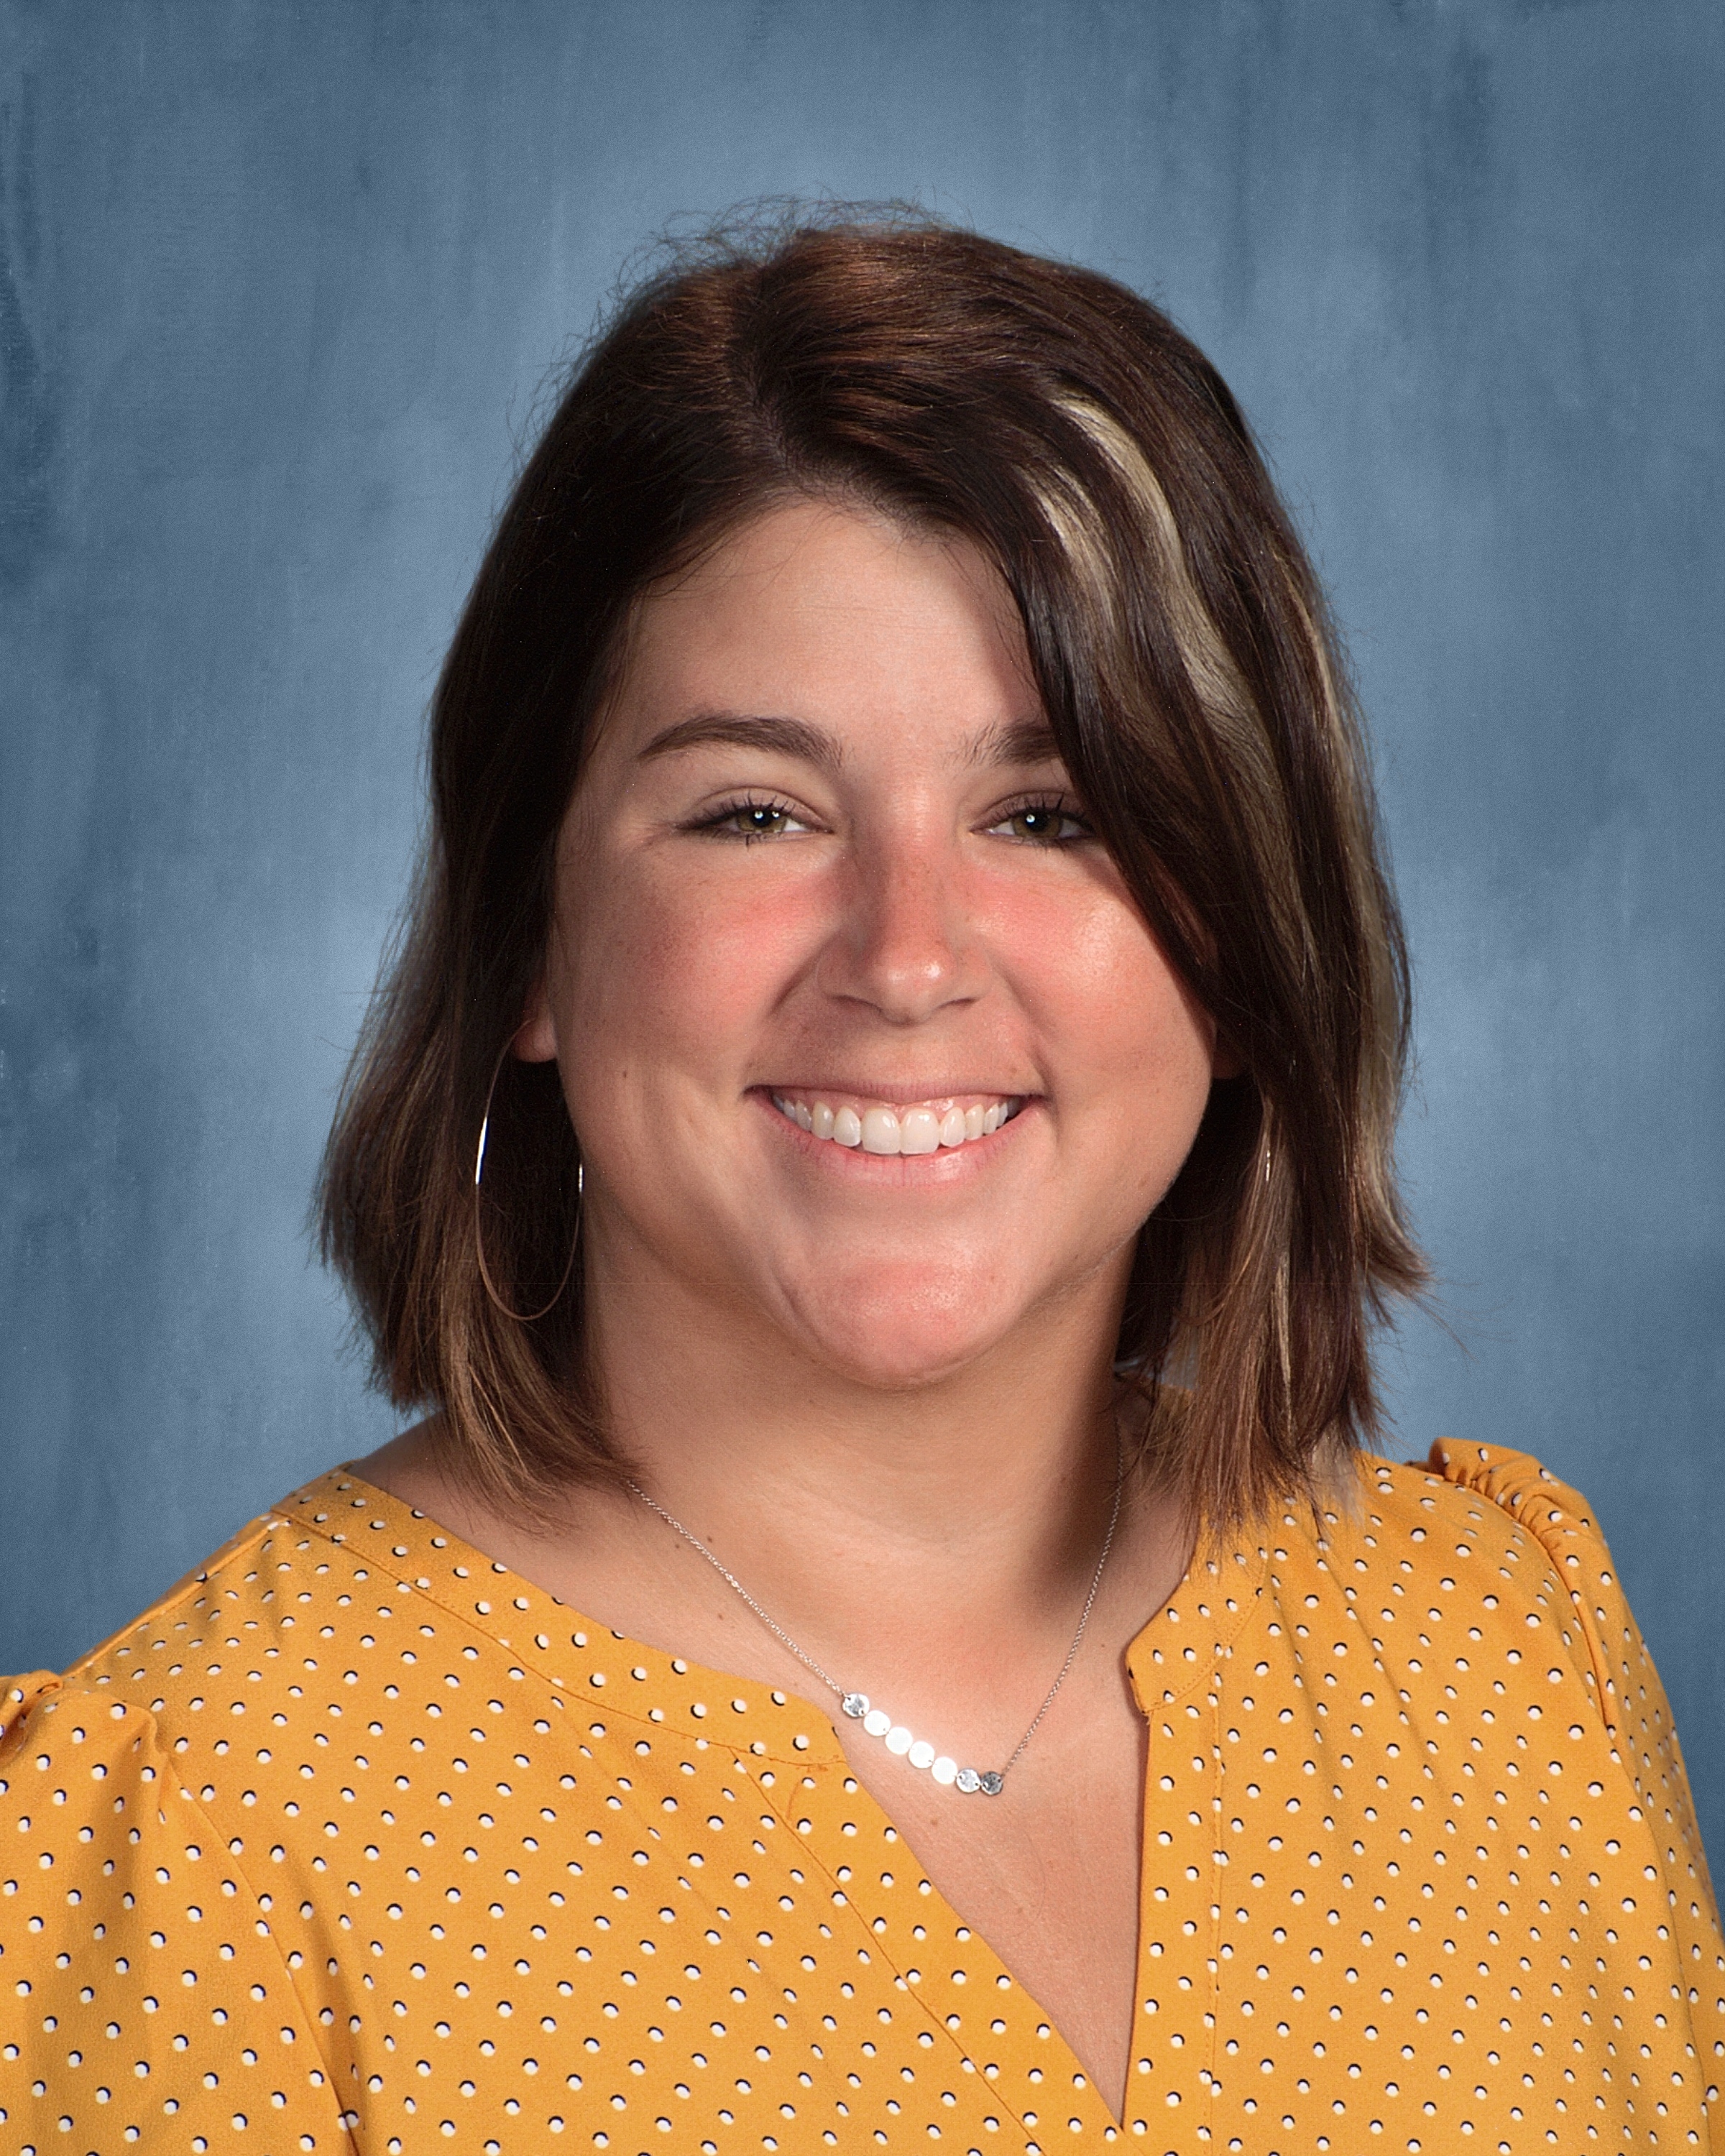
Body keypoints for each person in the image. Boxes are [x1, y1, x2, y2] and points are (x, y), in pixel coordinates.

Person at [3, 213, 1719, 2155]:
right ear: (532, 944)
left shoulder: (1505, 1664)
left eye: (1049, 813)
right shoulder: (201, 1832)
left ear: (1245, 945)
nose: (908, 959)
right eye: (756, 811)